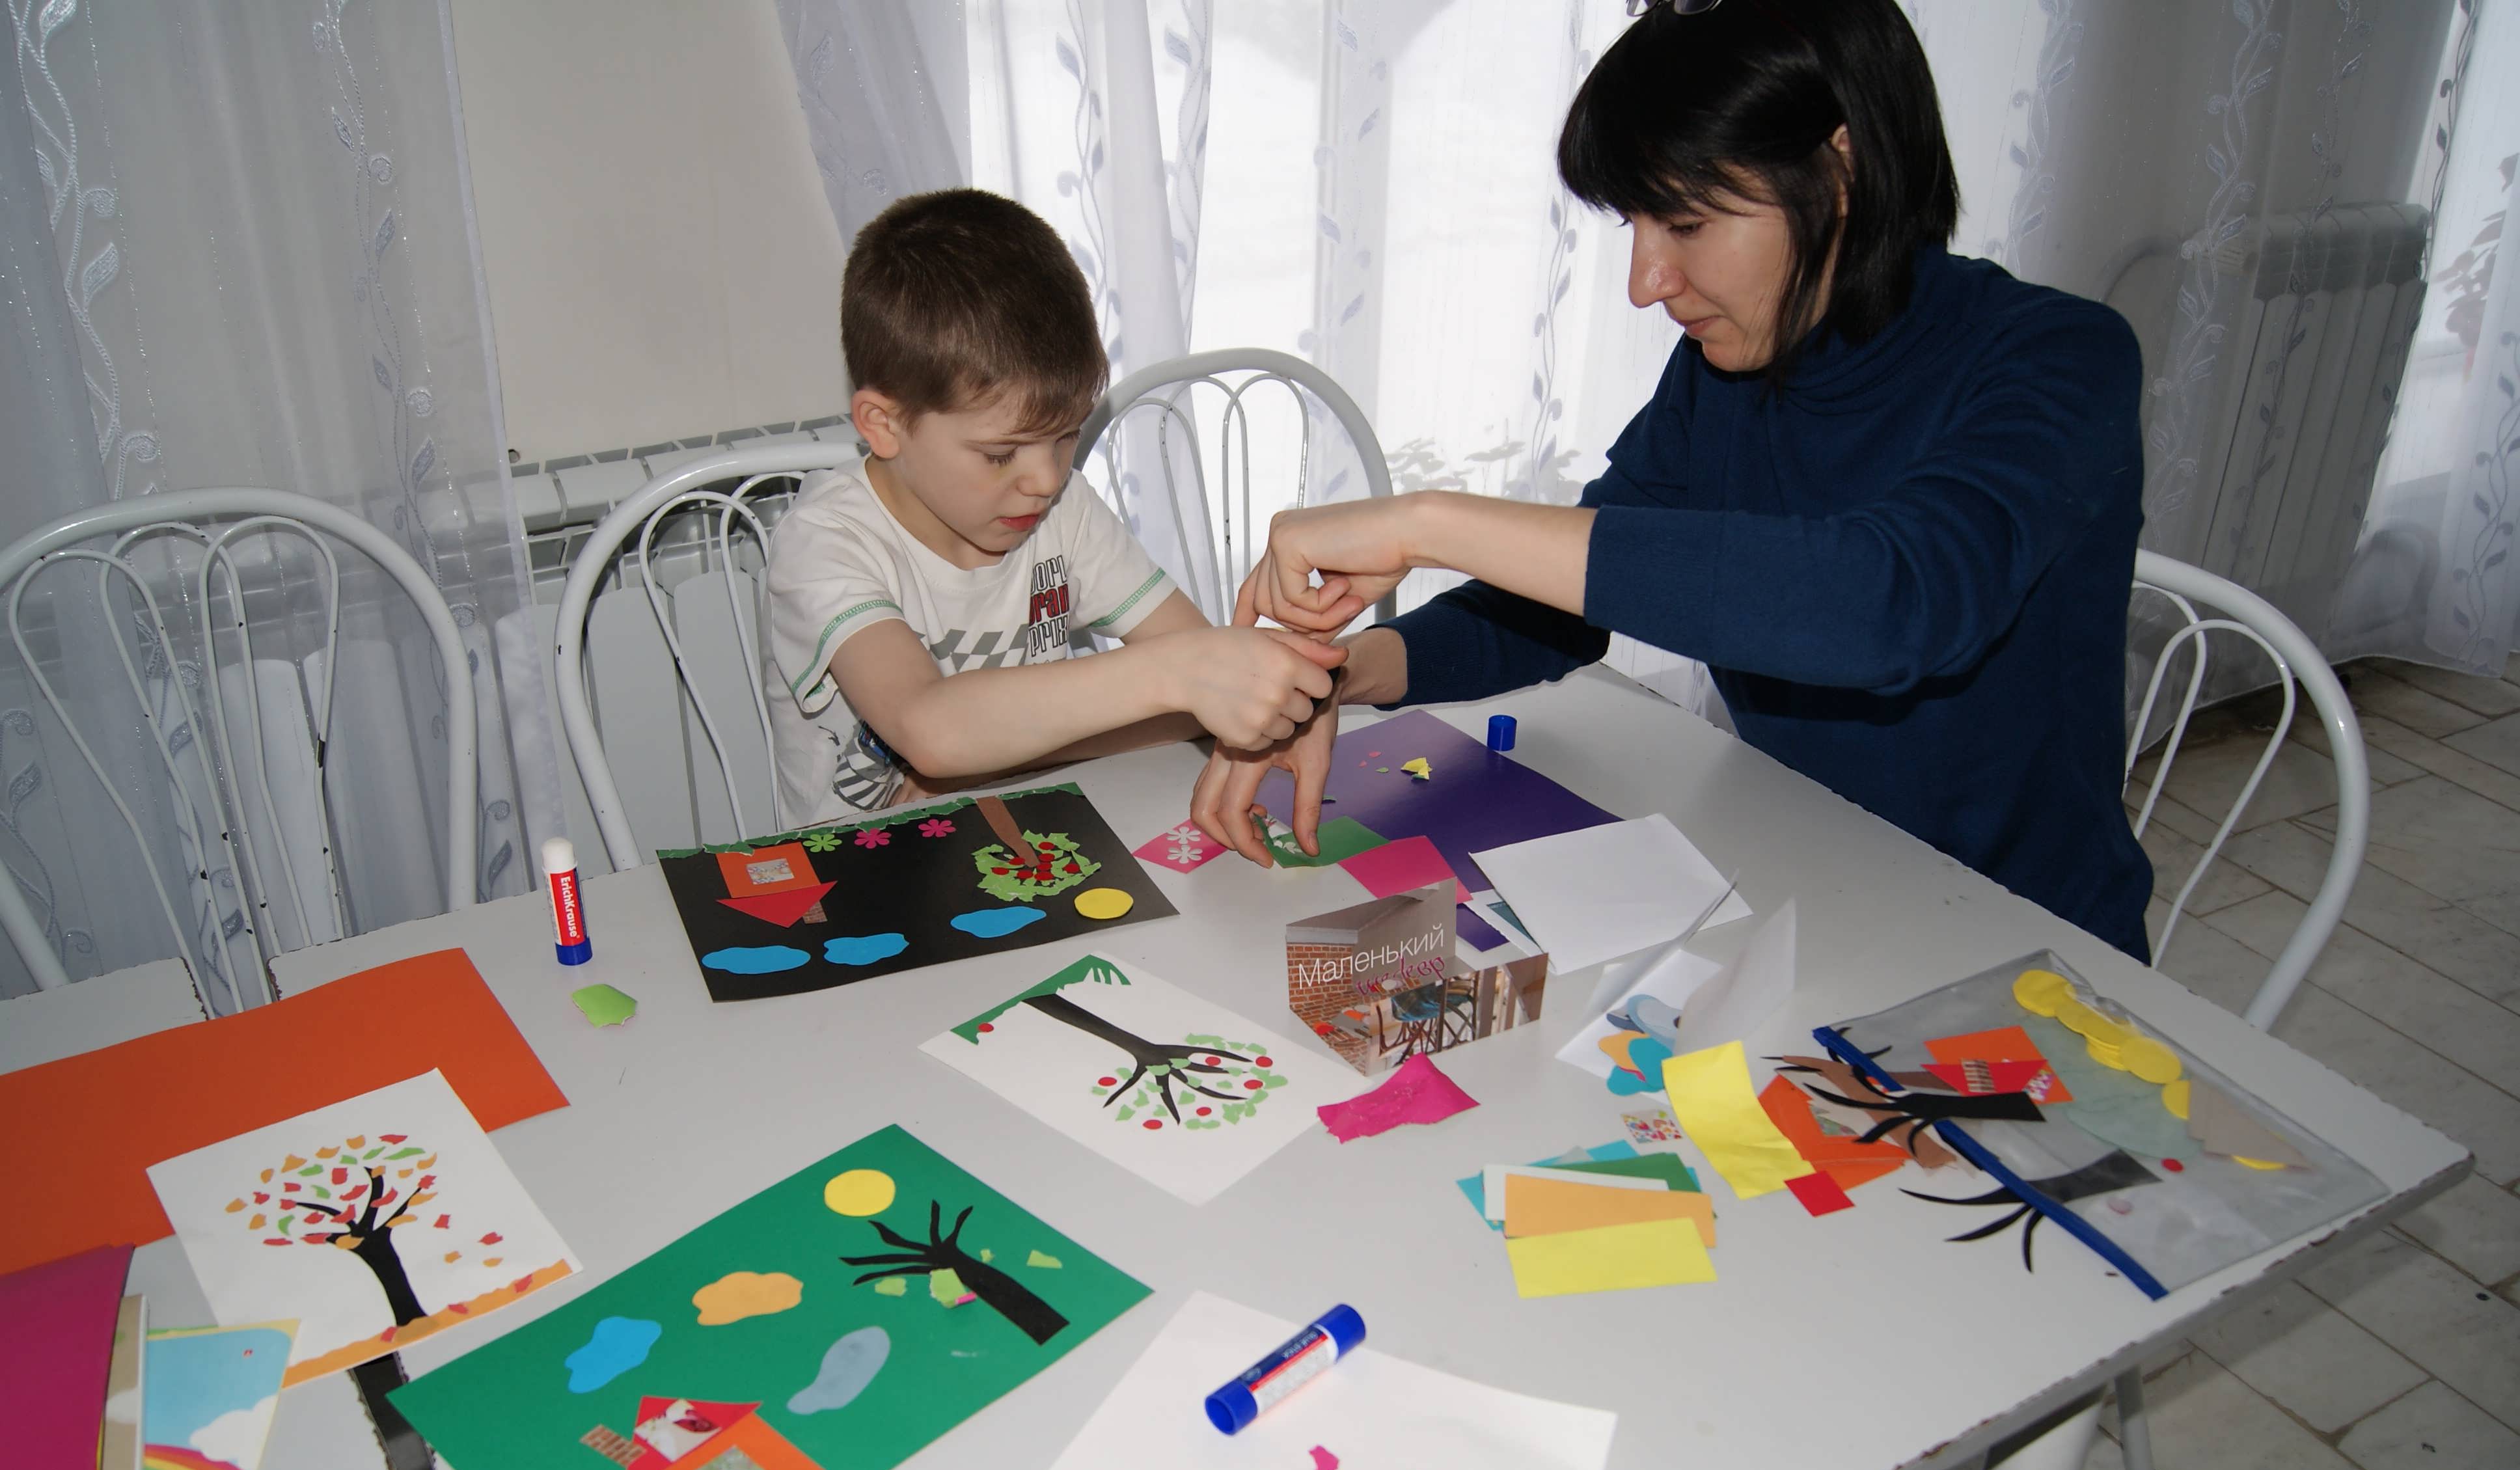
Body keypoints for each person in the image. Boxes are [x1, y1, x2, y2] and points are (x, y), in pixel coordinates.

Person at [1192, 0, 2155, 960]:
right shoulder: (1726, 369)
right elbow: (1565, 603)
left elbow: (1887, 602)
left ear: (1842, 167)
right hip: (1803, 881)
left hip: (2027, 944)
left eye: (1687, 221)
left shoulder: (2060, 356)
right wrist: (1337, 677)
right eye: (1636, 222)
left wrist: (1427, 522)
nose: (1645, 281)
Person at [762, 187, 1341, 827]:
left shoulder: (1061, 509)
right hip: (851, 877)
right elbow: (929, 730)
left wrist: (993, 764)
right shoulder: (825, 541)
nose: (1044, 478)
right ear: (884, 424)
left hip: (1030, 833)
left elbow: (1201, 697)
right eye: (999, 453)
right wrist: (1177, 675)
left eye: (1065, 435)